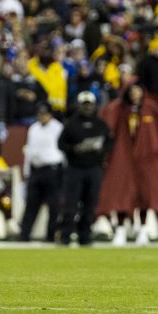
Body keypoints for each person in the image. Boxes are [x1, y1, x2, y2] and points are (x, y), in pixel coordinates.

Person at [97, 83, 158, 245]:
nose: (135, 94)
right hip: (123, 158)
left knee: (145, 195)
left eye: (138, 90)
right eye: (131, 90)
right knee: (121, 195)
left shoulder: (151, 109)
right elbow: (108, 131)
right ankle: (120, 230)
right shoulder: (117, 109)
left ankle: (143, 230)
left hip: (146, 160)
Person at [57, 91, 112, 246]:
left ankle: (85, 235)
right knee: (71, 204)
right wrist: (74, 149)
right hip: (75, 168)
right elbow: (61, 144)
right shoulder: (71, 124)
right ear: (79, 105)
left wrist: (102, 149)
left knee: (90, 203)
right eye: (85, 104)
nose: (88, 108)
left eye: (90, 104)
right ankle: (66, 235)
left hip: (94, 168)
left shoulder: (100, 124)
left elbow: (110, 142)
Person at [19, 104, 65, 242]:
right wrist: (27, 172)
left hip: (52, 169)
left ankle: (50, 236)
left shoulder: (58, 128)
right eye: (40, 114)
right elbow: (29, 151)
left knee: (53, 205)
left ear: (50, 115)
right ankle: (24, 235)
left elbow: (62, 151)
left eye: (45, 114)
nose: (42, 116)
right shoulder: (33, 128)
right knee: (31, 204)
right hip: (36, 170)